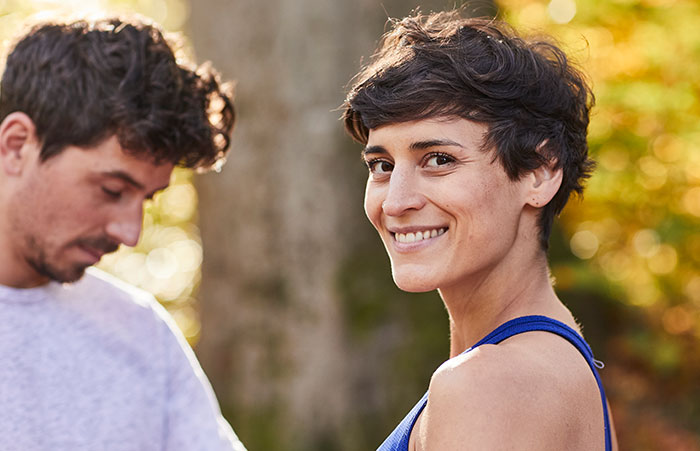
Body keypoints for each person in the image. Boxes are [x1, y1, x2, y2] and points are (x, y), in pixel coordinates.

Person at [343, 10, 617, 451]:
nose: (395, 201)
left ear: (540, 173)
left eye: (438, 159)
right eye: (382, 166)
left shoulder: (491, 385)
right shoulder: (560, 364)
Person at [0, 16, 246, 450]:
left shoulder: (140, 332)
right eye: (112, 190)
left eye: (147, 198)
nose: (129, 233)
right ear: (17, 145)